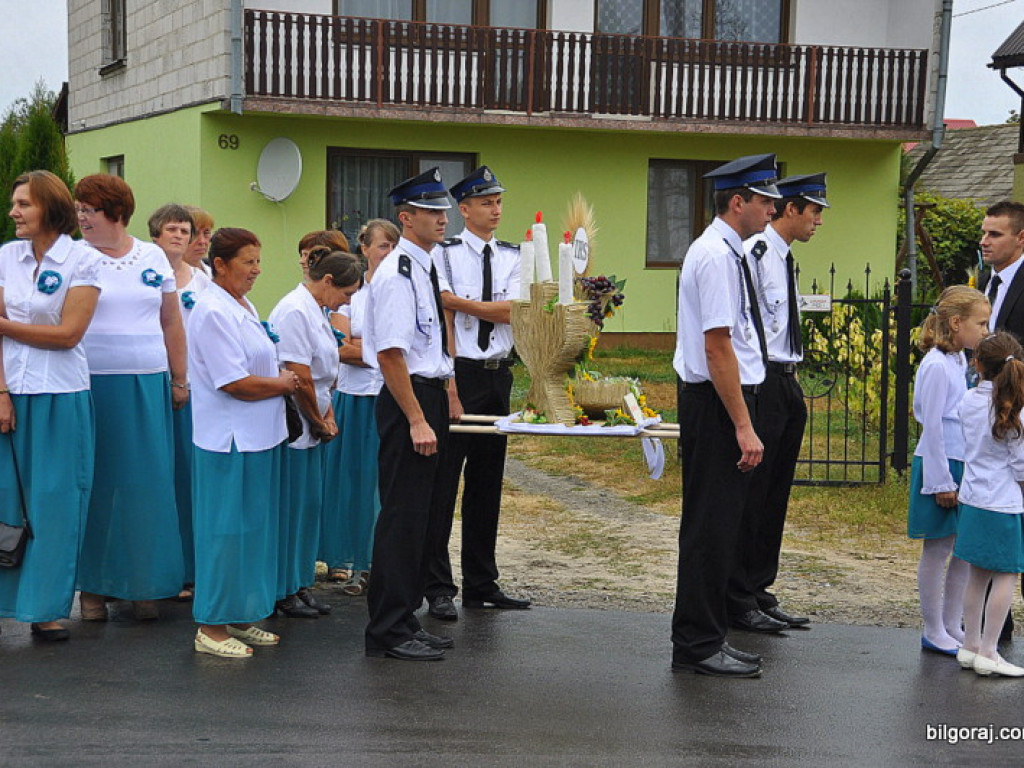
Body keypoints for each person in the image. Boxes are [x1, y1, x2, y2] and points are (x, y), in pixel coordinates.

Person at [671, 153, 779, 679]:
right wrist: (742, 423)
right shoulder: (715, 255)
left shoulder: (732, 252)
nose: (772, 208)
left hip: (728, 398)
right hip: (716, 404)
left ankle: (707, 635)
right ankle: (695, 643)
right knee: (709, 529)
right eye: (764, 200)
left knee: (722, 528)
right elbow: (717, 348)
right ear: (738, 202)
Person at [74, 174, 187, 622]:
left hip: (147, 382)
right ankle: (94, 590)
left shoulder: (153, 255)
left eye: (89, 209)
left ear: (116, 213)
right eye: (79, 209)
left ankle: (146, 583)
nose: (81, 217)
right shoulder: (74, 257)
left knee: (149, 486)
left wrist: (180, 380)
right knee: (99, 487)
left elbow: (171, 322)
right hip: (91, 383)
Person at [188, 227, 299, 657]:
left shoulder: (241, 304)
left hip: (258, 438)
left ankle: (238, 615)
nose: (256, 270)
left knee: (251, 531)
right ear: (220, 264)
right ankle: (210, 627)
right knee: (223, 533)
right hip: (228, 440)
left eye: (258, 261)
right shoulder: (213, 311)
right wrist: (282, 384)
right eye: (248, 262)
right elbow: (233, 382)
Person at [0, 171, 102, 642]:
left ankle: (45, 609)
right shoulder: (6, 256)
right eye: (14, 204)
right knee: (6, 504)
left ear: (49, 208)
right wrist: (0, 394)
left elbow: (68, 336)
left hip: (62, 396)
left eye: (23, 204)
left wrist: (4, 326)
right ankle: (6, 603)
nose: (13, 212)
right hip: (10, 396)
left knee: (56, 504)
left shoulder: (82, 260)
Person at [424, 166, 529, 622]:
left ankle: (482, 583)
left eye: (499, 201)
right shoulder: (444, 254)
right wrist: (448, 381)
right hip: (459, 372)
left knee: (487, 484)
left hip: (496, 374)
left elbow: (516, 312)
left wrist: (461, 303)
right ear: (464, 209)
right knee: (443, 483)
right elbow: (440, 313)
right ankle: (438, 586)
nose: (496, 210)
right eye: (486, 202)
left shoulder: (513, 255)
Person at [727, 173, 828, 634]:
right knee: (753, 492)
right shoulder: (756, 253)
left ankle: (760, 588)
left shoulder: (782, 256)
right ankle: (738, 595)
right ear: (792, 209)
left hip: (786, 377)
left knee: (775, 494)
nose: (818, 222)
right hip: (762, 377)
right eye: (814, 212)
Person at [362, 168, 455, 661]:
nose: (443, 218)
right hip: (407, 400)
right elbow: (392, 355)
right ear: (406, 217)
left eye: (443, 210)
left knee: (421, 517)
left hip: (428, 393)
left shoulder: (423, 266)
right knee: (402, 517)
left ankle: (404, 618)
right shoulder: (398, 273)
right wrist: (418, 418)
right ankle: (388, 630)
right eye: (431, 211)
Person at [269, 246, 362, 618]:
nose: (345, 303)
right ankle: (282, 588)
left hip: (316, 416)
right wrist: (319, 421)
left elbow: (325, 375)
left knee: (308, 507)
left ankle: (299, 581)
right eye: (345, 293)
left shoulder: (319, 311)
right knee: (291, 508)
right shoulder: (294, 310)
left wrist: (329, 413)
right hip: (297, 420)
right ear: (327, 281)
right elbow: (301, 377)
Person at [908, 286, 990, 655]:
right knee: (937, 548)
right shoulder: (937, 365)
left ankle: (951, 622)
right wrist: (941, 480)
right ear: (956, 323)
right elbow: (933, 425)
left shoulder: (958, 361)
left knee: (959, 548)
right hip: (939, 463)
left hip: (960, 461)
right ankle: (932, 627)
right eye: (980, 323)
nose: (985, 331)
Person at [320, 219, 398, 593]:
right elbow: (337, 345)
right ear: (364, 249)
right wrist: (386, 354)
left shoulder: (402, 291)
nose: (389, 254)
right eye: (383, 246)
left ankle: (376, 564)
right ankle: (348, 561)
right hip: (354, 397)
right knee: (352, 482)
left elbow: (409, 347)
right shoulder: (356, 294)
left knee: (382, 485)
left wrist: (365, 349)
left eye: (394, 247)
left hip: (389, 395)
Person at [149, 203, 210, 602]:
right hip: (157, 379)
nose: (181, 237)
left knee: (189, 477)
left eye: (186, 231)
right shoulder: (149, 274)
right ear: (155, 234)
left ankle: (190, 567)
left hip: (195, 386)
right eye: (172, 229)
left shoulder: (202, 280)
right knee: (158, 475)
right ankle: (155, 566)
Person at [955, 331, 1024, 677]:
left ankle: (970, 645)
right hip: (1004, 502)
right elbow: (1021, 464)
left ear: (977, 364)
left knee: (977, 574)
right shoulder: (1013, 408)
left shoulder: (968, 401)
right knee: (1006, 576)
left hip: (972, 497)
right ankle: (989, 651)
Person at [976, 201, 1024, 641]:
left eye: (995, 234)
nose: (985, 241)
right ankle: (993, 626)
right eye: (984, 233)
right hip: (990, 419)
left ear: (1020, 238)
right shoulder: (983, 282)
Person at [183, 206, 214, 275]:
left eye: (206, 233)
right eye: (195, 234)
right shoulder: (167, 275)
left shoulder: (214, 273)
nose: (202, 241)